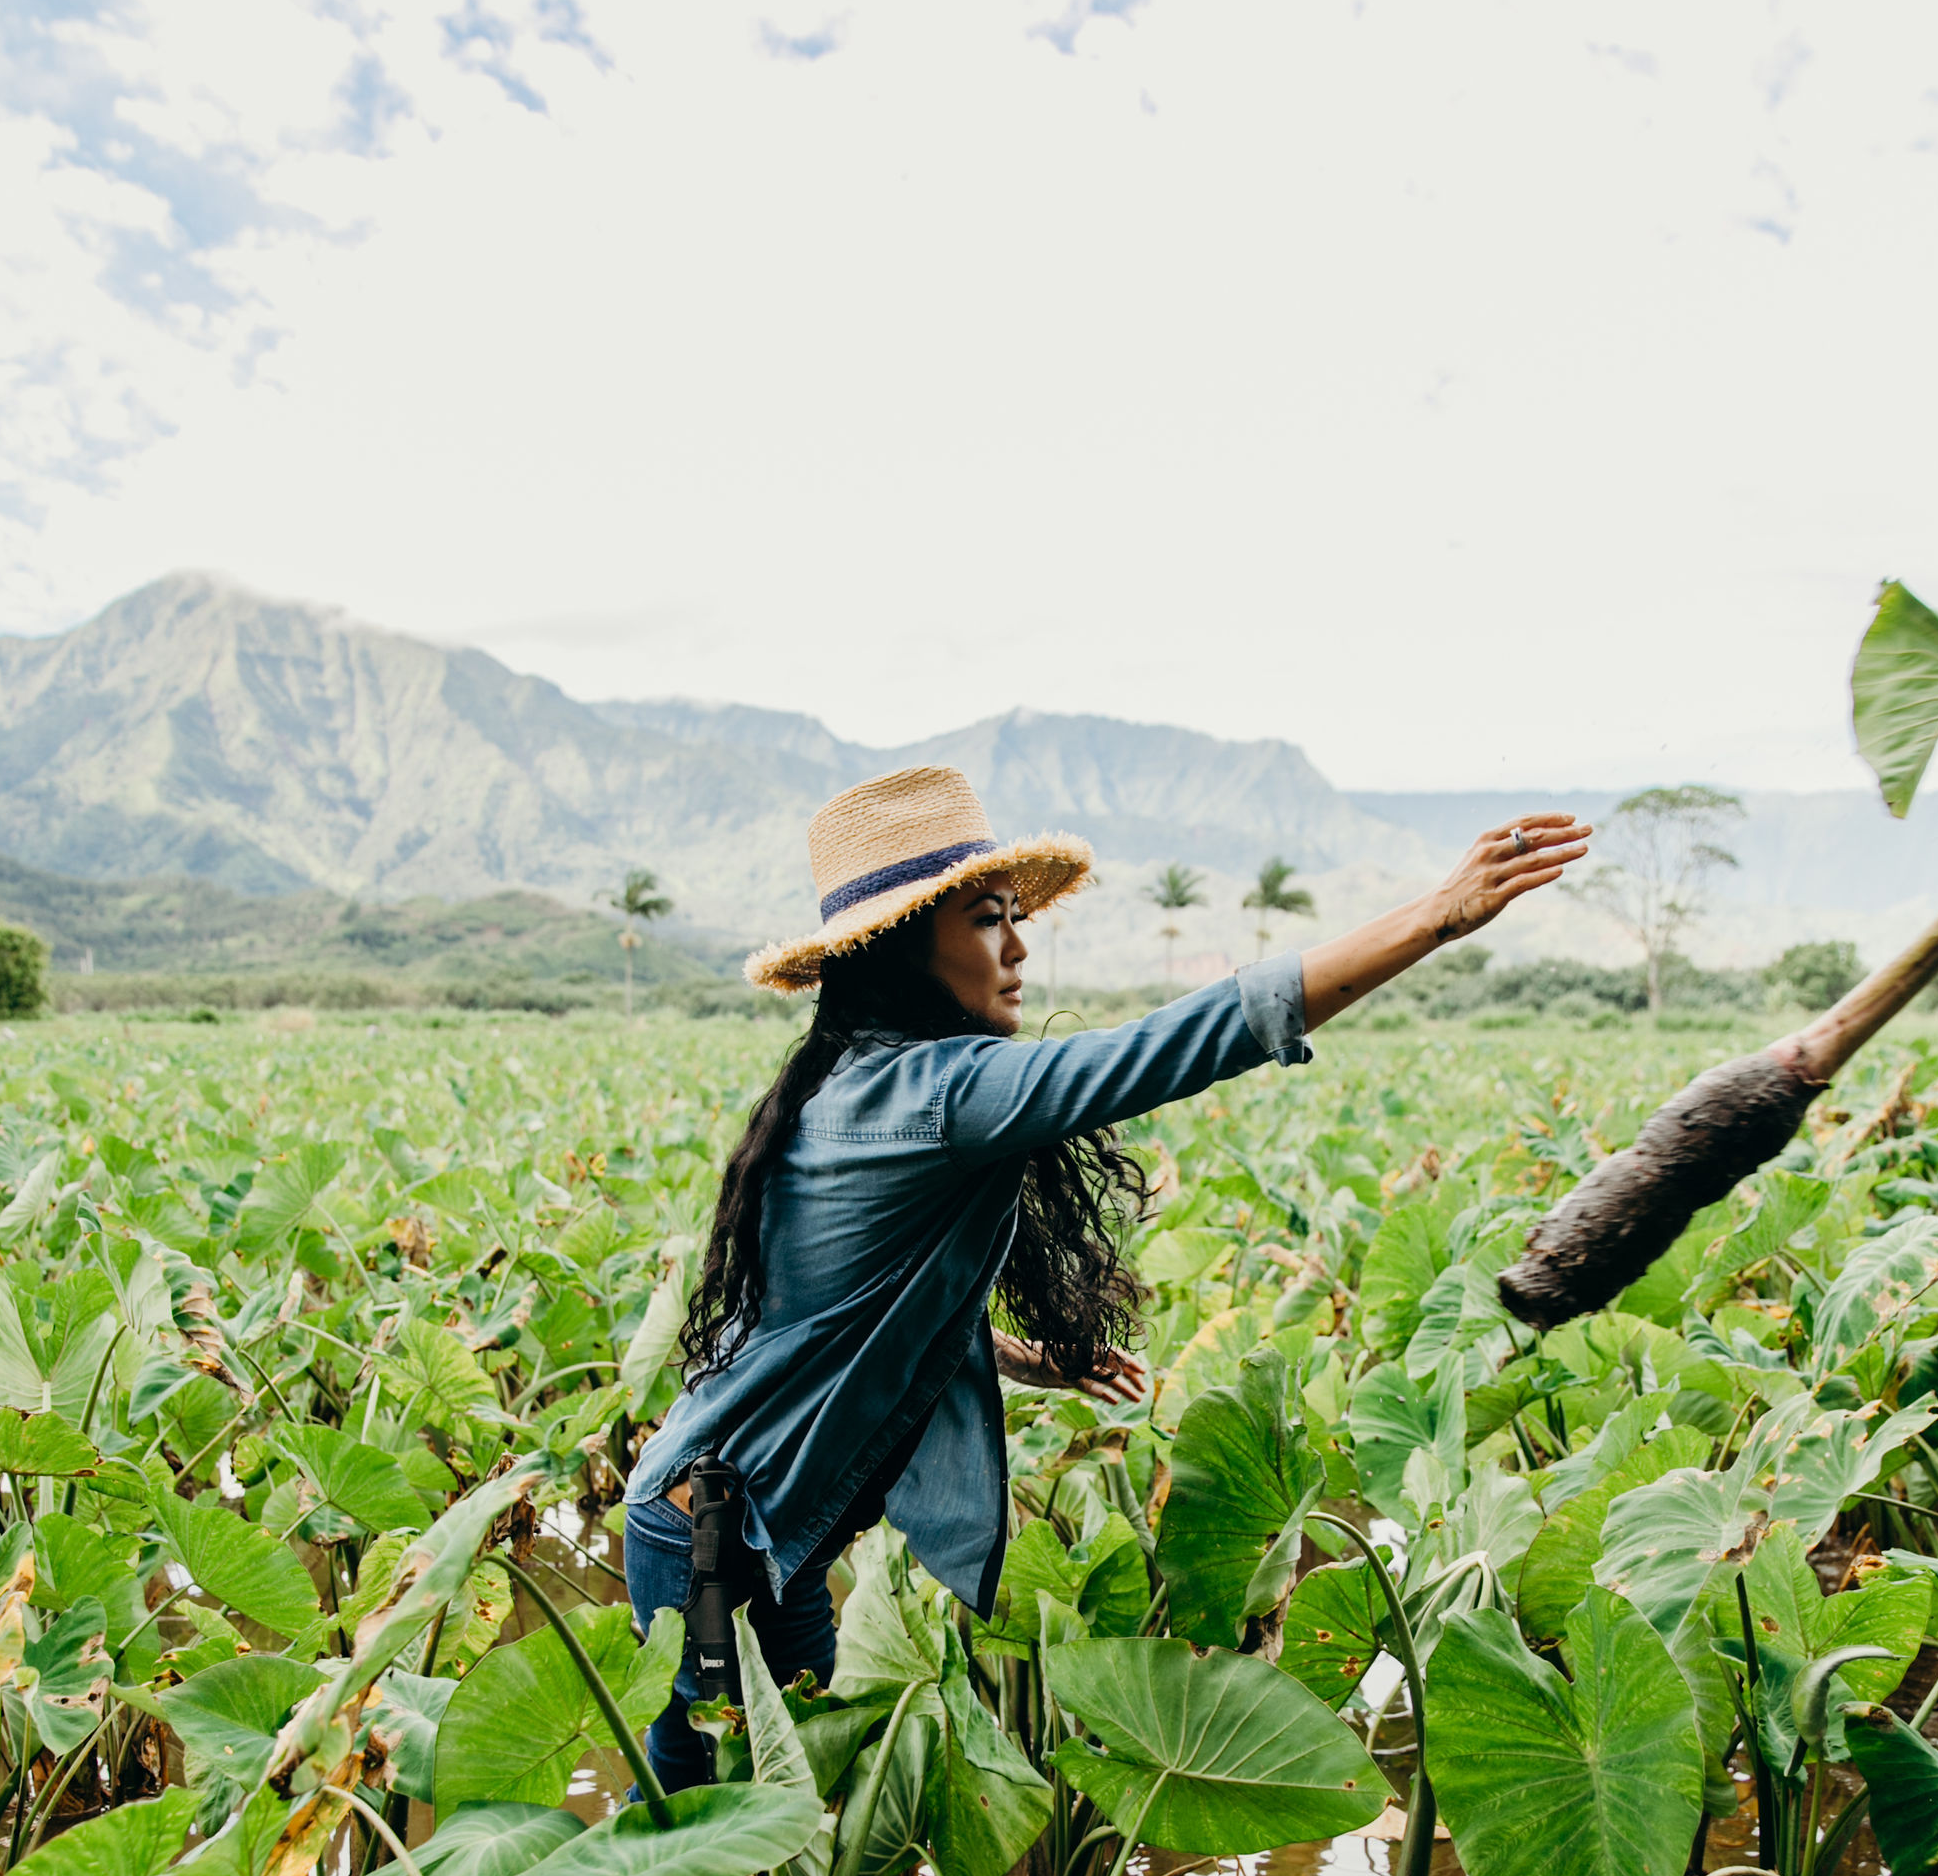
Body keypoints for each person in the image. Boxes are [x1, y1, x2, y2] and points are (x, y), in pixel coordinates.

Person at [623, 761, 1585, 1784]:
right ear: (906, 943)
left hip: (757, 1533)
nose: (1018, 945)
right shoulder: (935, 1091)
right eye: (990, 918)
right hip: (713, 1547)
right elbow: (1170, 1046)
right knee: (704, 1840)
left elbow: (837, 1316)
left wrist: (1025, 1359)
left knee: (779, 1815)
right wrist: (1432, 918)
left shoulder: (855, 1077)